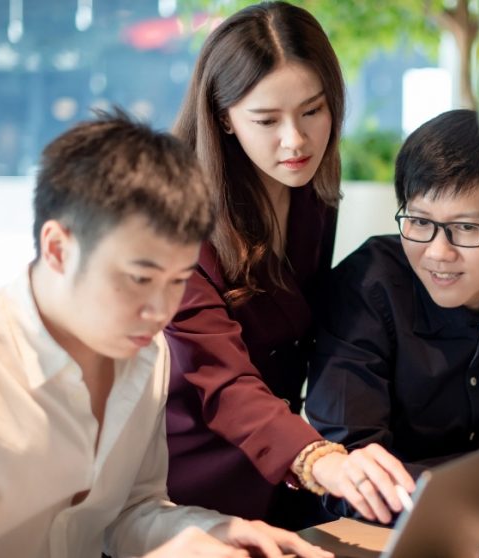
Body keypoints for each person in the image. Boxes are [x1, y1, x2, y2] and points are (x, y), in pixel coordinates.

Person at [0, 112, 330, 558]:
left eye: (177, 281)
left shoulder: (145, 353)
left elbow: (129, 511)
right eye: (138, 278)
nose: (160, 311)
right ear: (57, 248)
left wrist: (217, 532)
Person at [166, 1, 414, 530]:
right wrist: (318, 458)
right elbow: (223, 381)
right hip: (190, 485)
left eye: (312, 111)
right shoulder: (176, 223)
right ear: (223, 118)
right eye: (266, 120)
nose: (296, 140)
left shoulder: (310, 194)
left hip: (286, 474)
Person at [306, 109, 479, 525]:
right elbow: (351, 471)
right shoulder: (366, 286)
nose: (438, 252)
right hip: (376, 536)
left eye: (466, 228)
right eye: (420, 221)